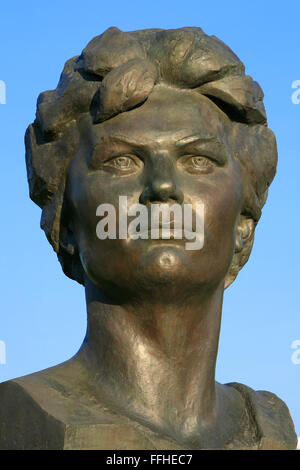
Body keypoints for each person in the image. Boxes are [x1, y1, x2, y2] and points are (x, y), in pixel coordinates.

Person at [0, 26, 297, 450]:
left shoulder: (271, 426)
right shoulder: (19, 416)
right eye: (121, 160)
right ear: (67, 222)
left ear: (242, 226)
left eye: (197, 159)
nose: (162, 188)